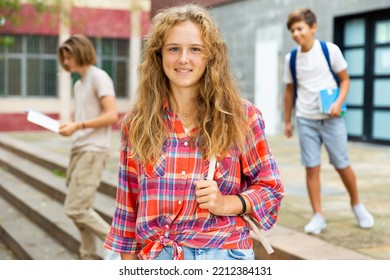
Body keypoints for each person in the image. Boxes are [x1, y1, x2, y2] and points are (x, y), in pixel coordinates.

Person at [104, 4, 284, 260]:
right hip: (159, 258)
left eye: (195, 49)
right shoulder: (137, 123)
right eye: (173, 48)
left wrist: (226, 203)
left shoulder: (242, 117)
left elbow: (271, 189)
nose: (183, 59)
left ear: (210, 56)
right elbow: (127, 209)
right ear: (159, 56)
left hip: (223, 254)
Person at [283, 8, 374, 234]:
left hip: (332, 118)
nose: (296, 33)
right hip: (306, 119)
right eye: (292, 30)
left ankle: (357, 205)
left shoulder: (329, 51)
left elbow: (345, 80)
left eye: (300, 28)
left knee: (342, 165)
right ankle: (318, 216)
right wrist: (288, 121)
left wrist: (338, 103)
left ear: (313, 28)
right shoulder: (291, 59)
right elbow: (288, 91)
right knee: (312, 168)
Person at [57, 34, 120, 260]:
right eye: (64, 58)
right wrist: (71, 127)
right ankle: (89, 257)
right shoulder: (79, 83)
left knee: (76, 209)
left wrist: (79, 125)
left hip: (94, 150)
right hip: (79, 149)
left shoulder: (98, 77)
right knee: (80, 209)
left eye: (69, 56)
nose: (66, 62)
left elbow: (112, 115)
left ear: (81, 52)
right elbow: (84, 118)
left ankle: (121, 245)